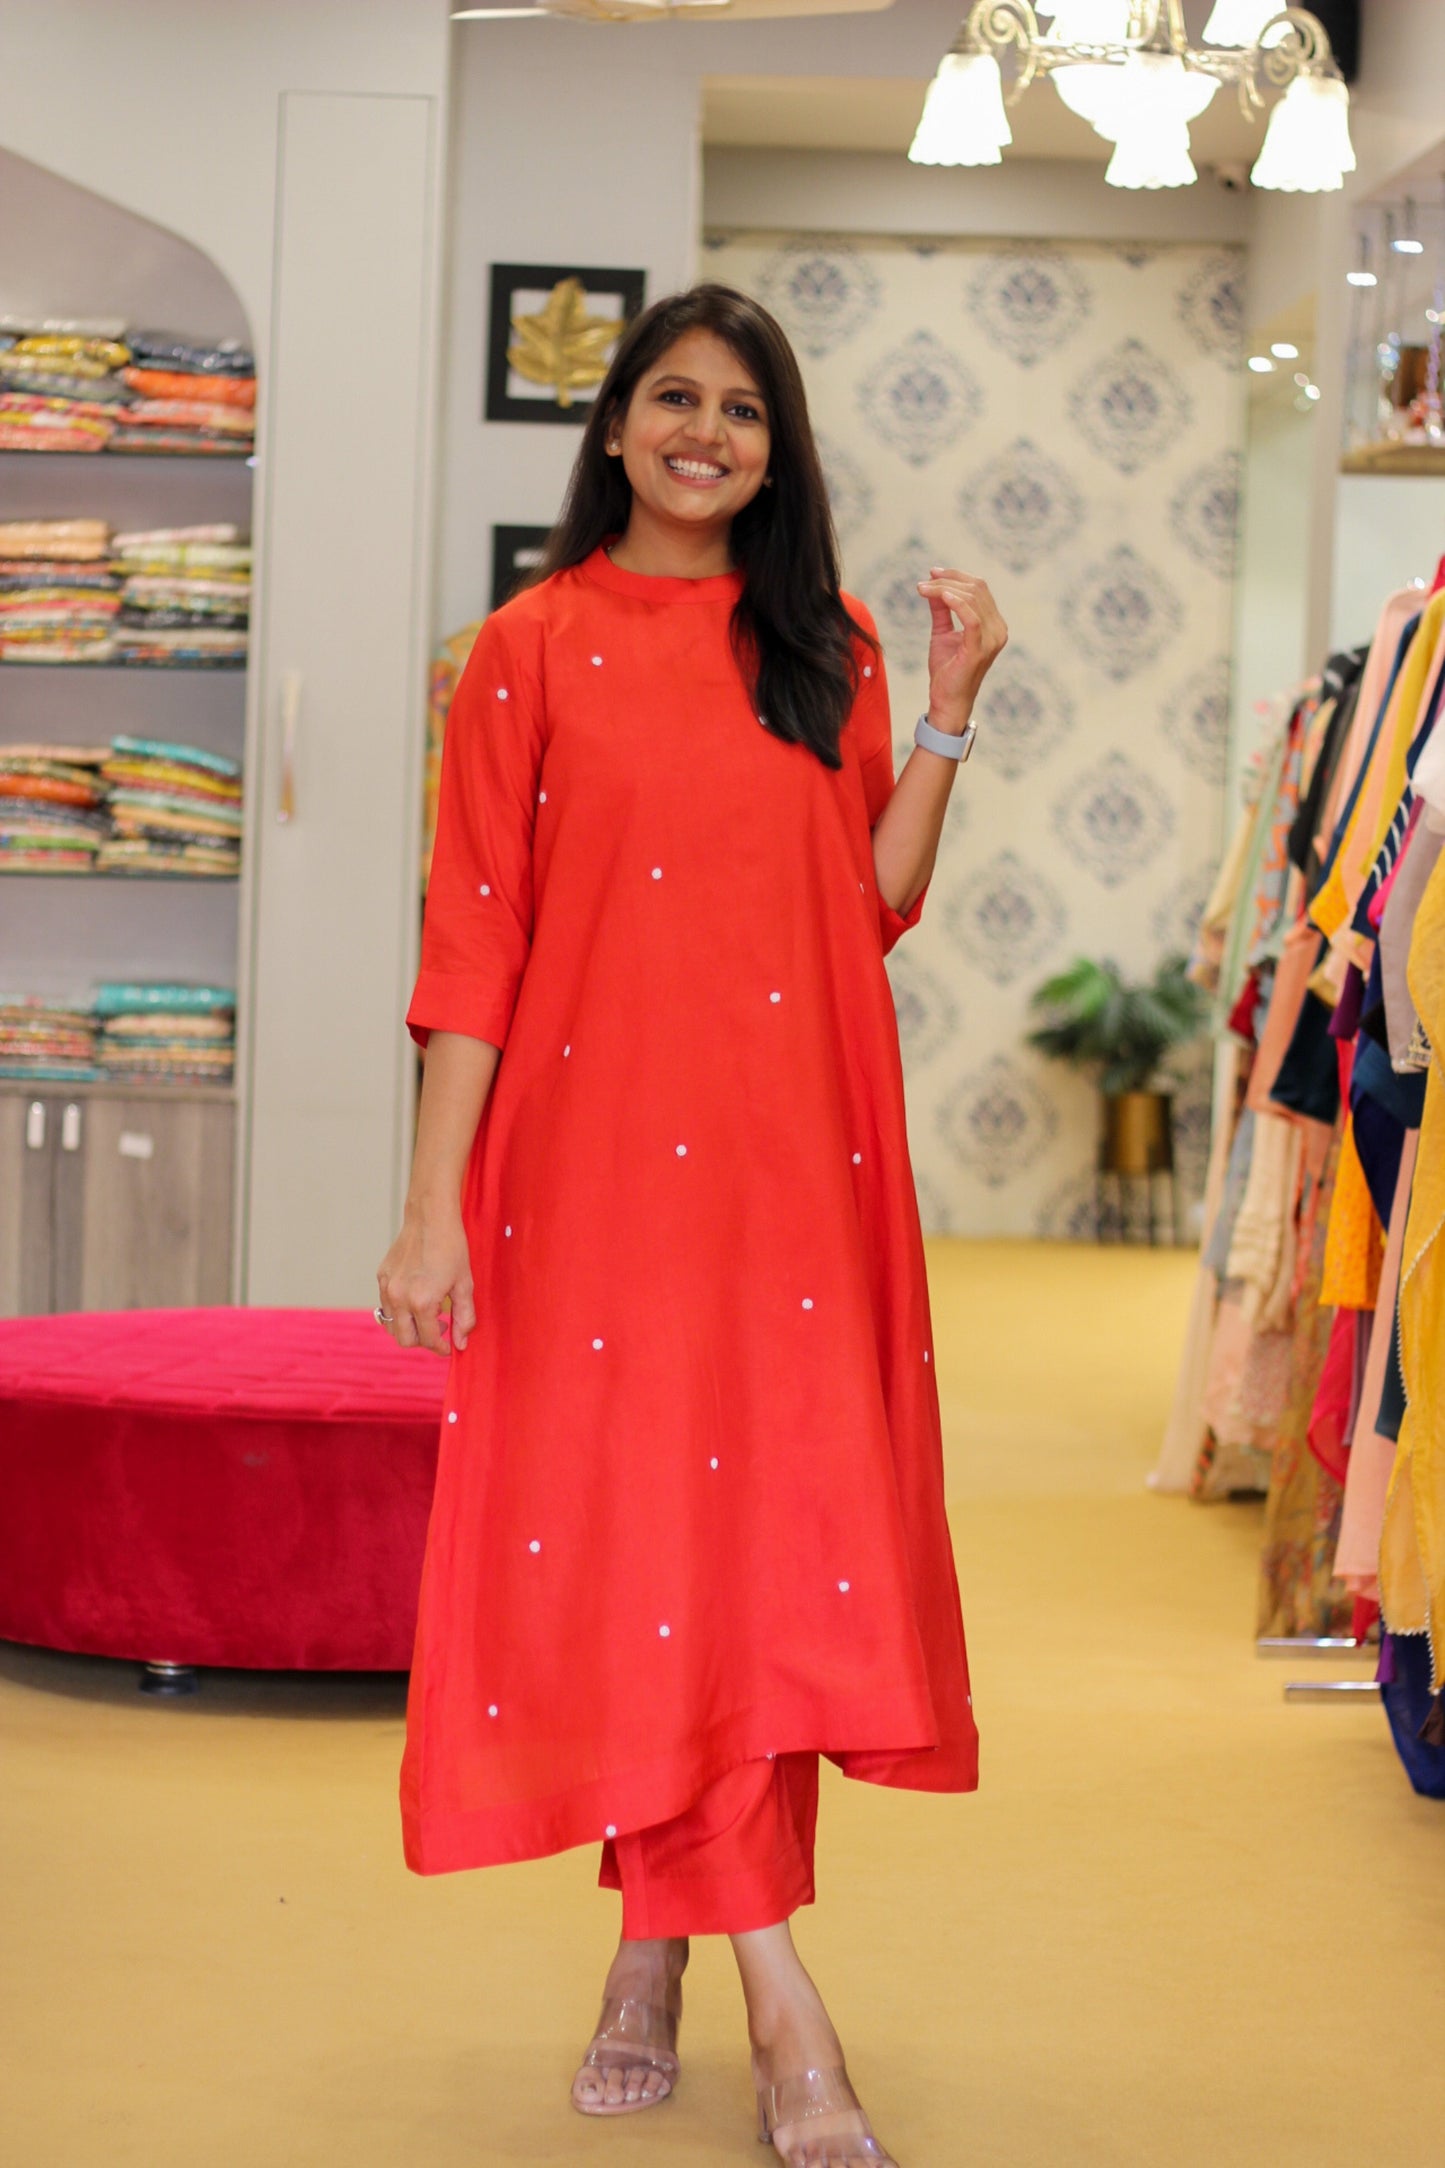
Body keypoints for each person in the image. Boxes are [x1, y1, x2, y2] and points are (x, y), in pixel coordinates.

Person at [376, 282, 1006, 2168]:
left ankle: (650, 1945)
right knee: (645, 1529)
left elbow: (868, 895)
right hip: (585, 1175)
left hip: (796, 1167)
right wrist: (432, 1209)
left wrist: (951, 721)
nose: (704, 434)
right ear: (615, 427)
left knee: (763, 1549)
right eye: (672, 398)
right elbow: (471, 943)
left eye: (740, 408)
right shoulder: (526, 647)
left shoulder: (825, 641)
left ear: (775, 445)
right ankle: (778, 1997)